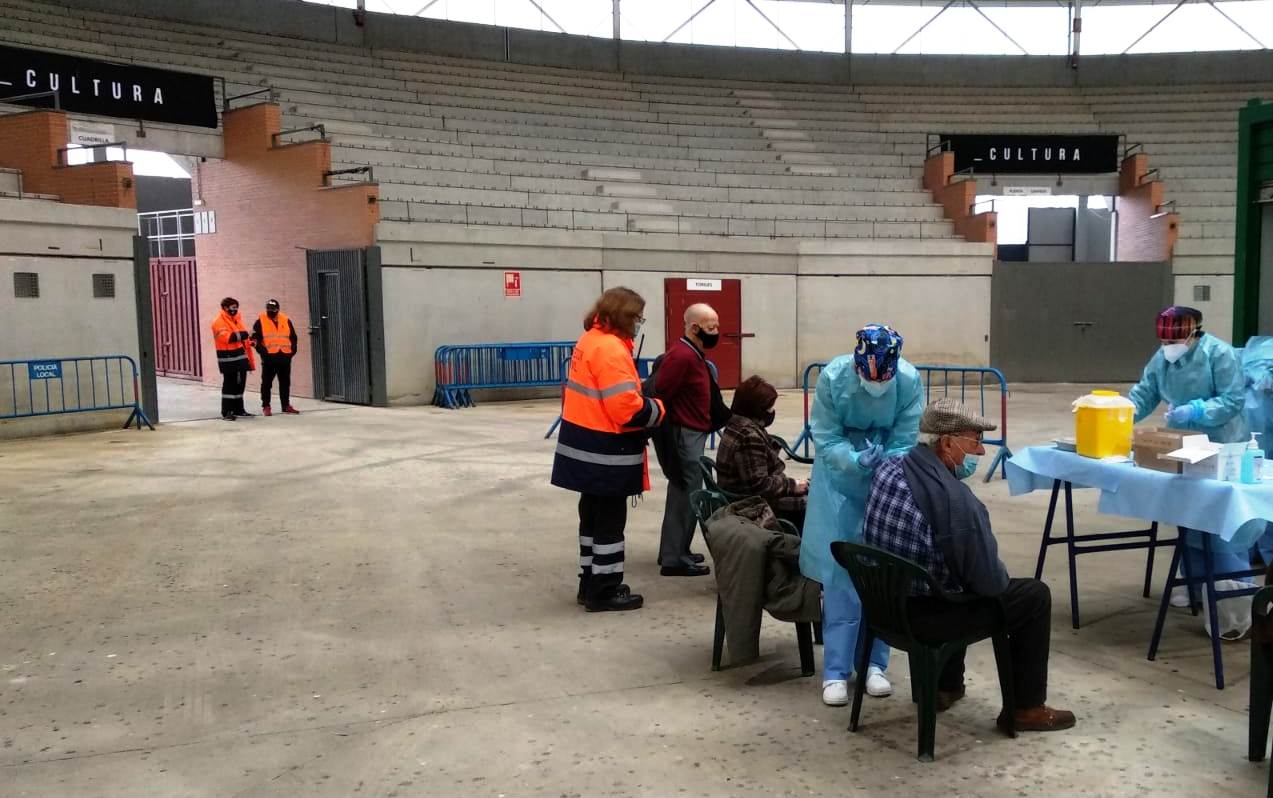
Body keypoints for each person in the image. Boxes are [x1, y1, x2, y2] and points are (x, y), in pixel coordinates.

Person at [863, 397, 1077, 732]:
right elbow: (990, 583)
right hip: (924, 619)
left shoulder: (889, 469)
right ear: (946, 443)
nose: (979, 453)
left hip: (883, 609)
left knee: (948, 574)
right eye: (973, 442)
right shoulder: (956, 503)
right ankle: (1025, 708)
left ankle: (940, 686)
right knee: (1032, 596)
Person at [801, 323, 923, 706]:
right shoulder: (833, 378)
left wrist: (886, 463)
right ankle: (836, 670)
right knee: (841, 574)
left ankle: (875, 663)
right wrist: (854, 460)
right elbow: (825, 435)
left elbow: (906, 436)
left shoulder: (907, 380)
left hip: (887, 475)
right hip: (838, 481)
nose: (876, 386)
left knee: (881, 570)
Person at [1129, 305, 1253, 608]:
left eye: (1174, 342)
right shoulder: (1163, 358)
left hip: (1223, 445)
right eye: (1165, 343)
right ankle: (1192, 582)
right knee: (1189, 514)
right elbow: (1146, 392)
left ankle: (1233, 588)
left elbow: (1232, 399)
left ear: (1194, 334)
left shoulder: (1219, 354)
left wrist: (1197, 410)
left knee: (1222, 517)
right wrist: (1119, 412)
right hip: (1185, 444)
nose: (1169, 348)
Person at [551, 287, 665, 612]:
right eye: (638, 317)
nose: (640, 323)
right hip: (607, 451)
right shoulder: (612, 350)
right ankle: (605, 589)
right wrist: (659, 409)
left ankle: (589, 582)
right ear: (624, 315)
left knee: (590, 518)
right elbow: (626, 409)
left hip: (583, 445)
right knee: (610, 524)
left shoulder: (589, 340)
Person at [654, 303, 721, 577]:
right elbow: (661, 392)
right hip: (685, 434)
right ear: (695, 328)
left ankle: (676, 549)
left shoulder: (693, 354)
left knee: (687, 493)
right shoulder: (682, 356)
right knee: (685, 495)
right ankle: (673, 558)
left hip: (693, 432)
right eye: (711, 327)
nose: (716, 331)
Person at [715, 375, 808, 530]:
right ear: (757, 410)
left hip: (738, 495)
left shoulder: (735, 424)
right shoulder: (749, 436)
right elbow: (760, 486)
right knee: (812, 503)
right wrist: (793, 485)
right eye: (769, 408)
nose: (772, 411)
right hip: (749, 505)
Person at [252, 299, 299, 416]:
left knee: (285, 383)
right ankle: (266, 406)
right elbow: (254, 339)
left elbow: (293, 337)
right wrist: (263, 352)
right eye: (268, 308)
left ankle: (286, 406)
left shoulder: (286, 320)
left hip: (284, 357)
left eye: (273, 309)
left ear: (278, 309)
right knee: (267, 383)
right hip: (269, 358)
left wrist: (292, 351)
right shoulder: (260, 321)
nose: (270, 311)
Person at [211, 297, 256, 421]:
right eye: (233, 307)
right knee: (230, 385)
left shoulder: (236, 320)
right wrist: (245, 334)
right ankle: (227, 412)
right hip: (228, 358)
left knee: (240, 385)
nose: (235, 309)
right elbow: (227, 338)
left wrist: (249, 341)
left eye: (236, 307)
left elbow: (241, 337)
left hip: (240, 357)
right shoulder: (218, 321)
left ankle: (239, 409)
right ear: (225, 308)